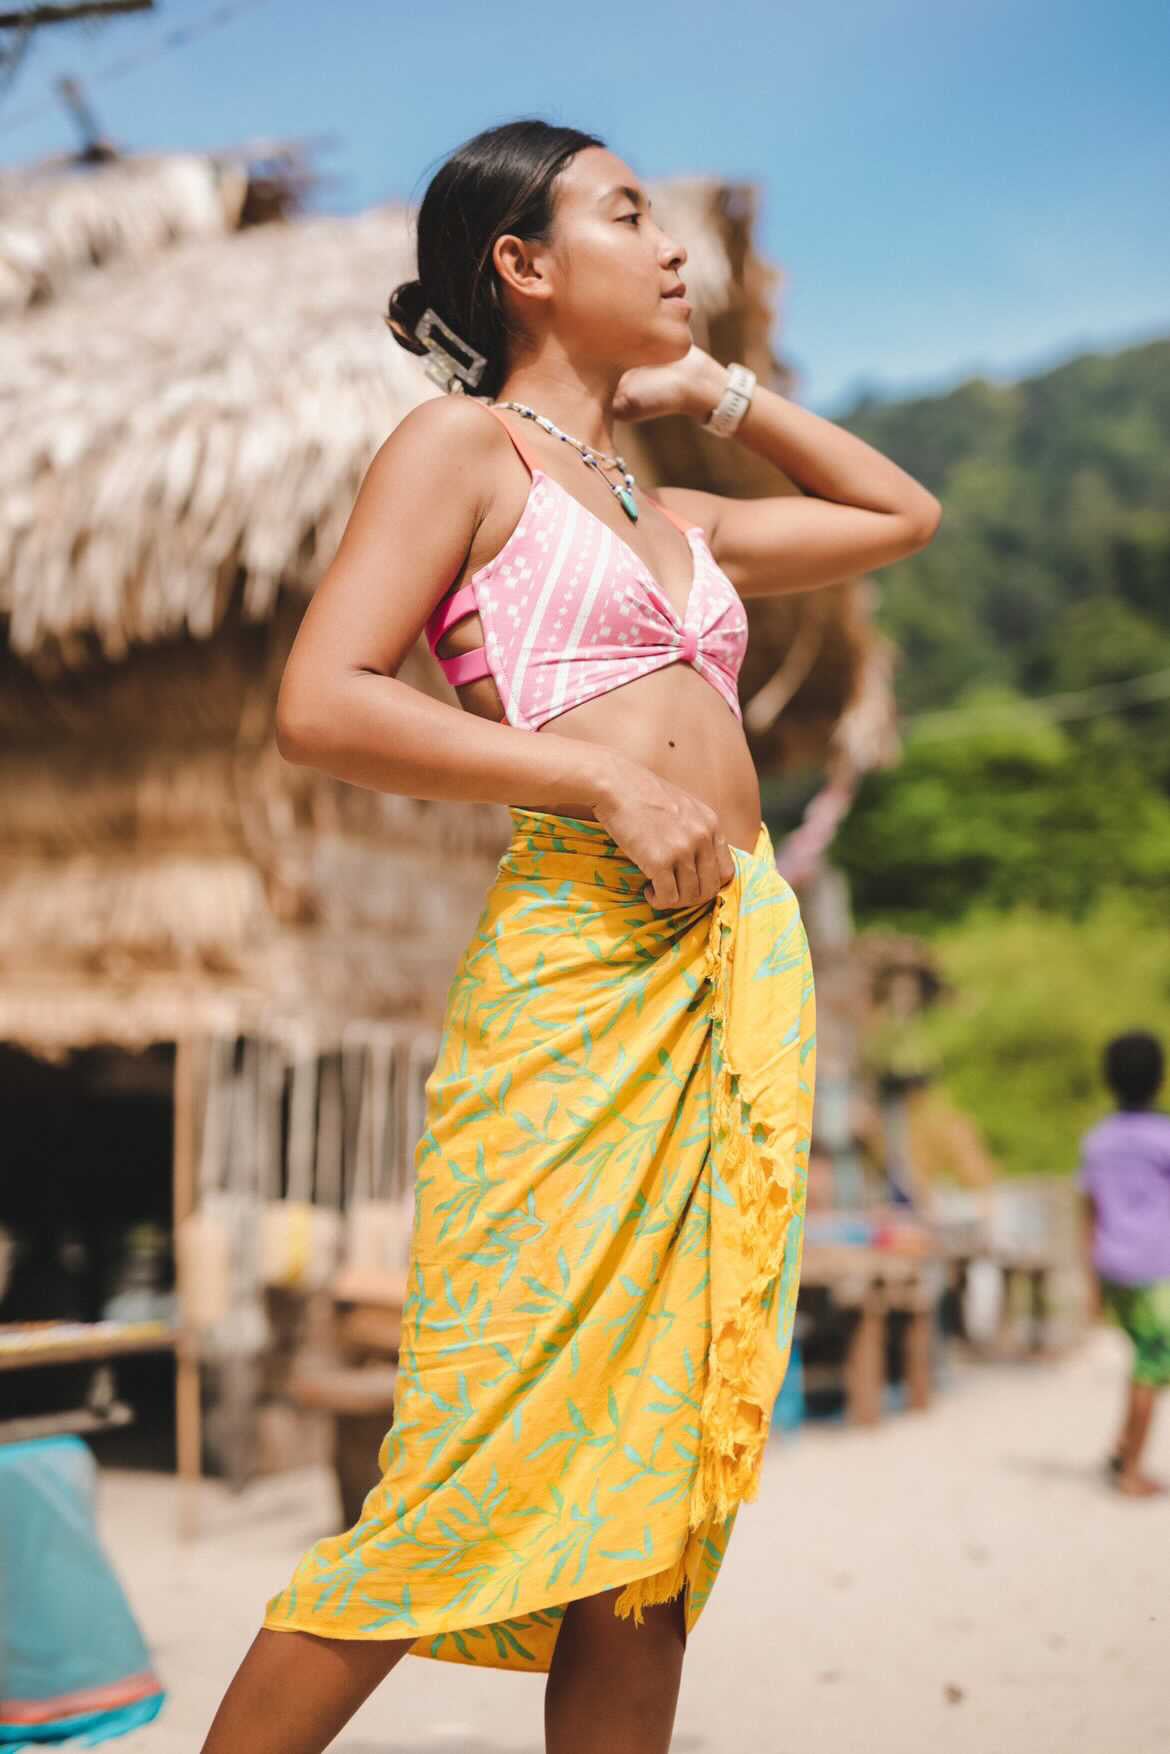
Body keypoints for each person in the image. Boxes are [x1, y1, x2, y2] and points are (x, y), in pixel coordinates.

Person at [197, 117, 941, 1754]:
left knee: (652, 1500)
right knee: (472, 1462)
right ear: (521, 266)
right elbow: (323, 703)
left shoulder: (676, 510)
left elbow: (901, 515)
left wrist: (715, 395)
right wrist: (594, 772)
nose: (673, 246)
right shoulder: (459, 451)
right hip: (578, 971)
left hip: (724, 975)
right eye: (626, 214)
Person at [1079, 1030, 1170, 1499]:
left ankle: (1122, 1445)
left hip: (1114, 1267)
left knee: (1144, 1362)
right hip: (1157, 1271)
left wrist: (1090, 1278)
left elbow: (1088, 1211)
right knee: (1154, 1366)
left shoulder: (1099, 1141)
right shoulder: (1164, 1137)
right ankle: (1131, 1470)